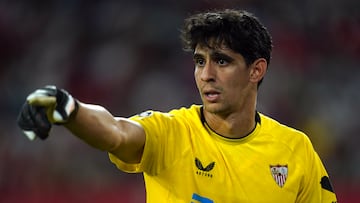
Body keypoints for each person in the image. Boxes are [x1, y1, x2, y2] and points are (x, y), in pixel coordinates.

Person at [17, 9, 337, 202]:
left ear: (257, 70)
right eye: (200, 61)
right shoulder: (171, 133)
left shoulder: (296, 150)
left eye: (222, 61)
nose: (206, 75)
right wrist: (70, 109)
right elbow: (115, 131)